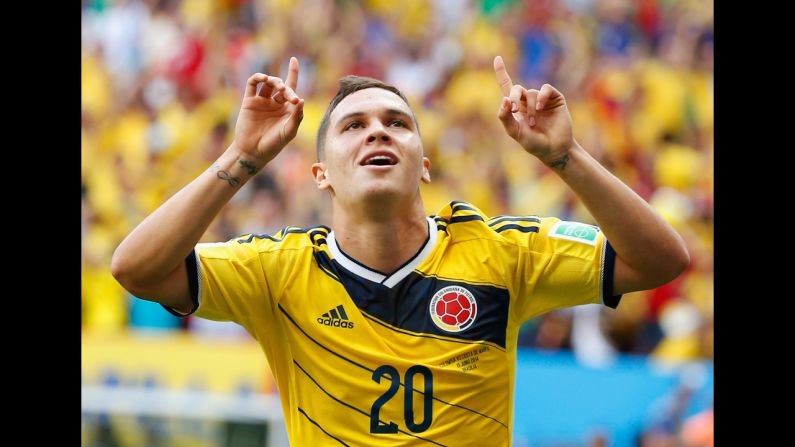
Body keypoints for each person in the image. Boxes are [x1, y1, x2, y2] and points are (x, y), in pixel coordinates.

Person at [111, 55, 689, 446]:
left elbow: (661, 261)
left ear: (425, 164)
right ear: (321, 174)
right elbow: (136, 269)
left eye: (396, 123)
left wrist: (567, 157)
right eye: (353, 126)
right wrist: (242, 158)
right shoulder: (276, 269)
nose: (377, 132)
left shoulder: (502, 253)